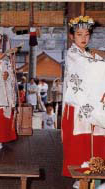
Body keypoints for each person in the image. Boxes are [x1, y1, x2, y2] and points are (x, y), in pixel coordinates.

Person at [62, 16, 105, 185]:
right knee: (81, 146)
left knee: (95, 143)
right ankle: (81, 180)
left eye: (87, 34)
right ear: (72, 36)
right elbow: (92, 67)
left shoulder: (88, 53)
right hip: (78, 108)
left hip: (92, 104)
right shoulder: (73, 54)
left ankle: (93, 178)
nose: (84, 38)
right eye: (79, 34)